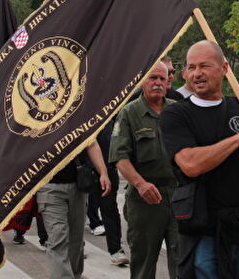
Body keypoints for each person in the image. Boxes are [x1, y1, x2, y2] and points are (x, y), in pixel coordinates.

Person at [161, 40, 239, 279]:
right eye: (191, 67)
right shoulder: (176, 114)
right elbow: (190, 164)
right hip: (203, 230)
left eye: (204, 66)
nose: (196, 73)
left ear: (224, 68)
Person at [109, 62, 178, 278]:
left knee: (182, 260)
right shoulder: (129, 113)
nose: (158, 83)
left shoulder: (177, 110)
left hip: (178, 196)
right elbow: (119, 157)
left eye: (162, 79)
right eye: (152, 78)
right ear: (142, 81)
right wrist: (140, 184)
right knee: (143, 263)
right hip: (145, 199)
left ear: (168, 82)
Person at [36, 142, 110, 279]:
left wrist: (103, 173)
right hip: (49, 188)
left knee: (76, 242)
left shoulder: (78, 119)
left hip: (78, 186)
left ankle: (75, 275)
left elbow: (92, 144)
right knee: (58, 239)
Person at [86, 117, 128, 266]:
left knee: (109, 208)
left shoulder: (111, 111)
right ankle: (77, 246)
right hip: (83, 170)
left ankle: (116, 250)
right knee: (75, 211)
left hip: (108, 168)